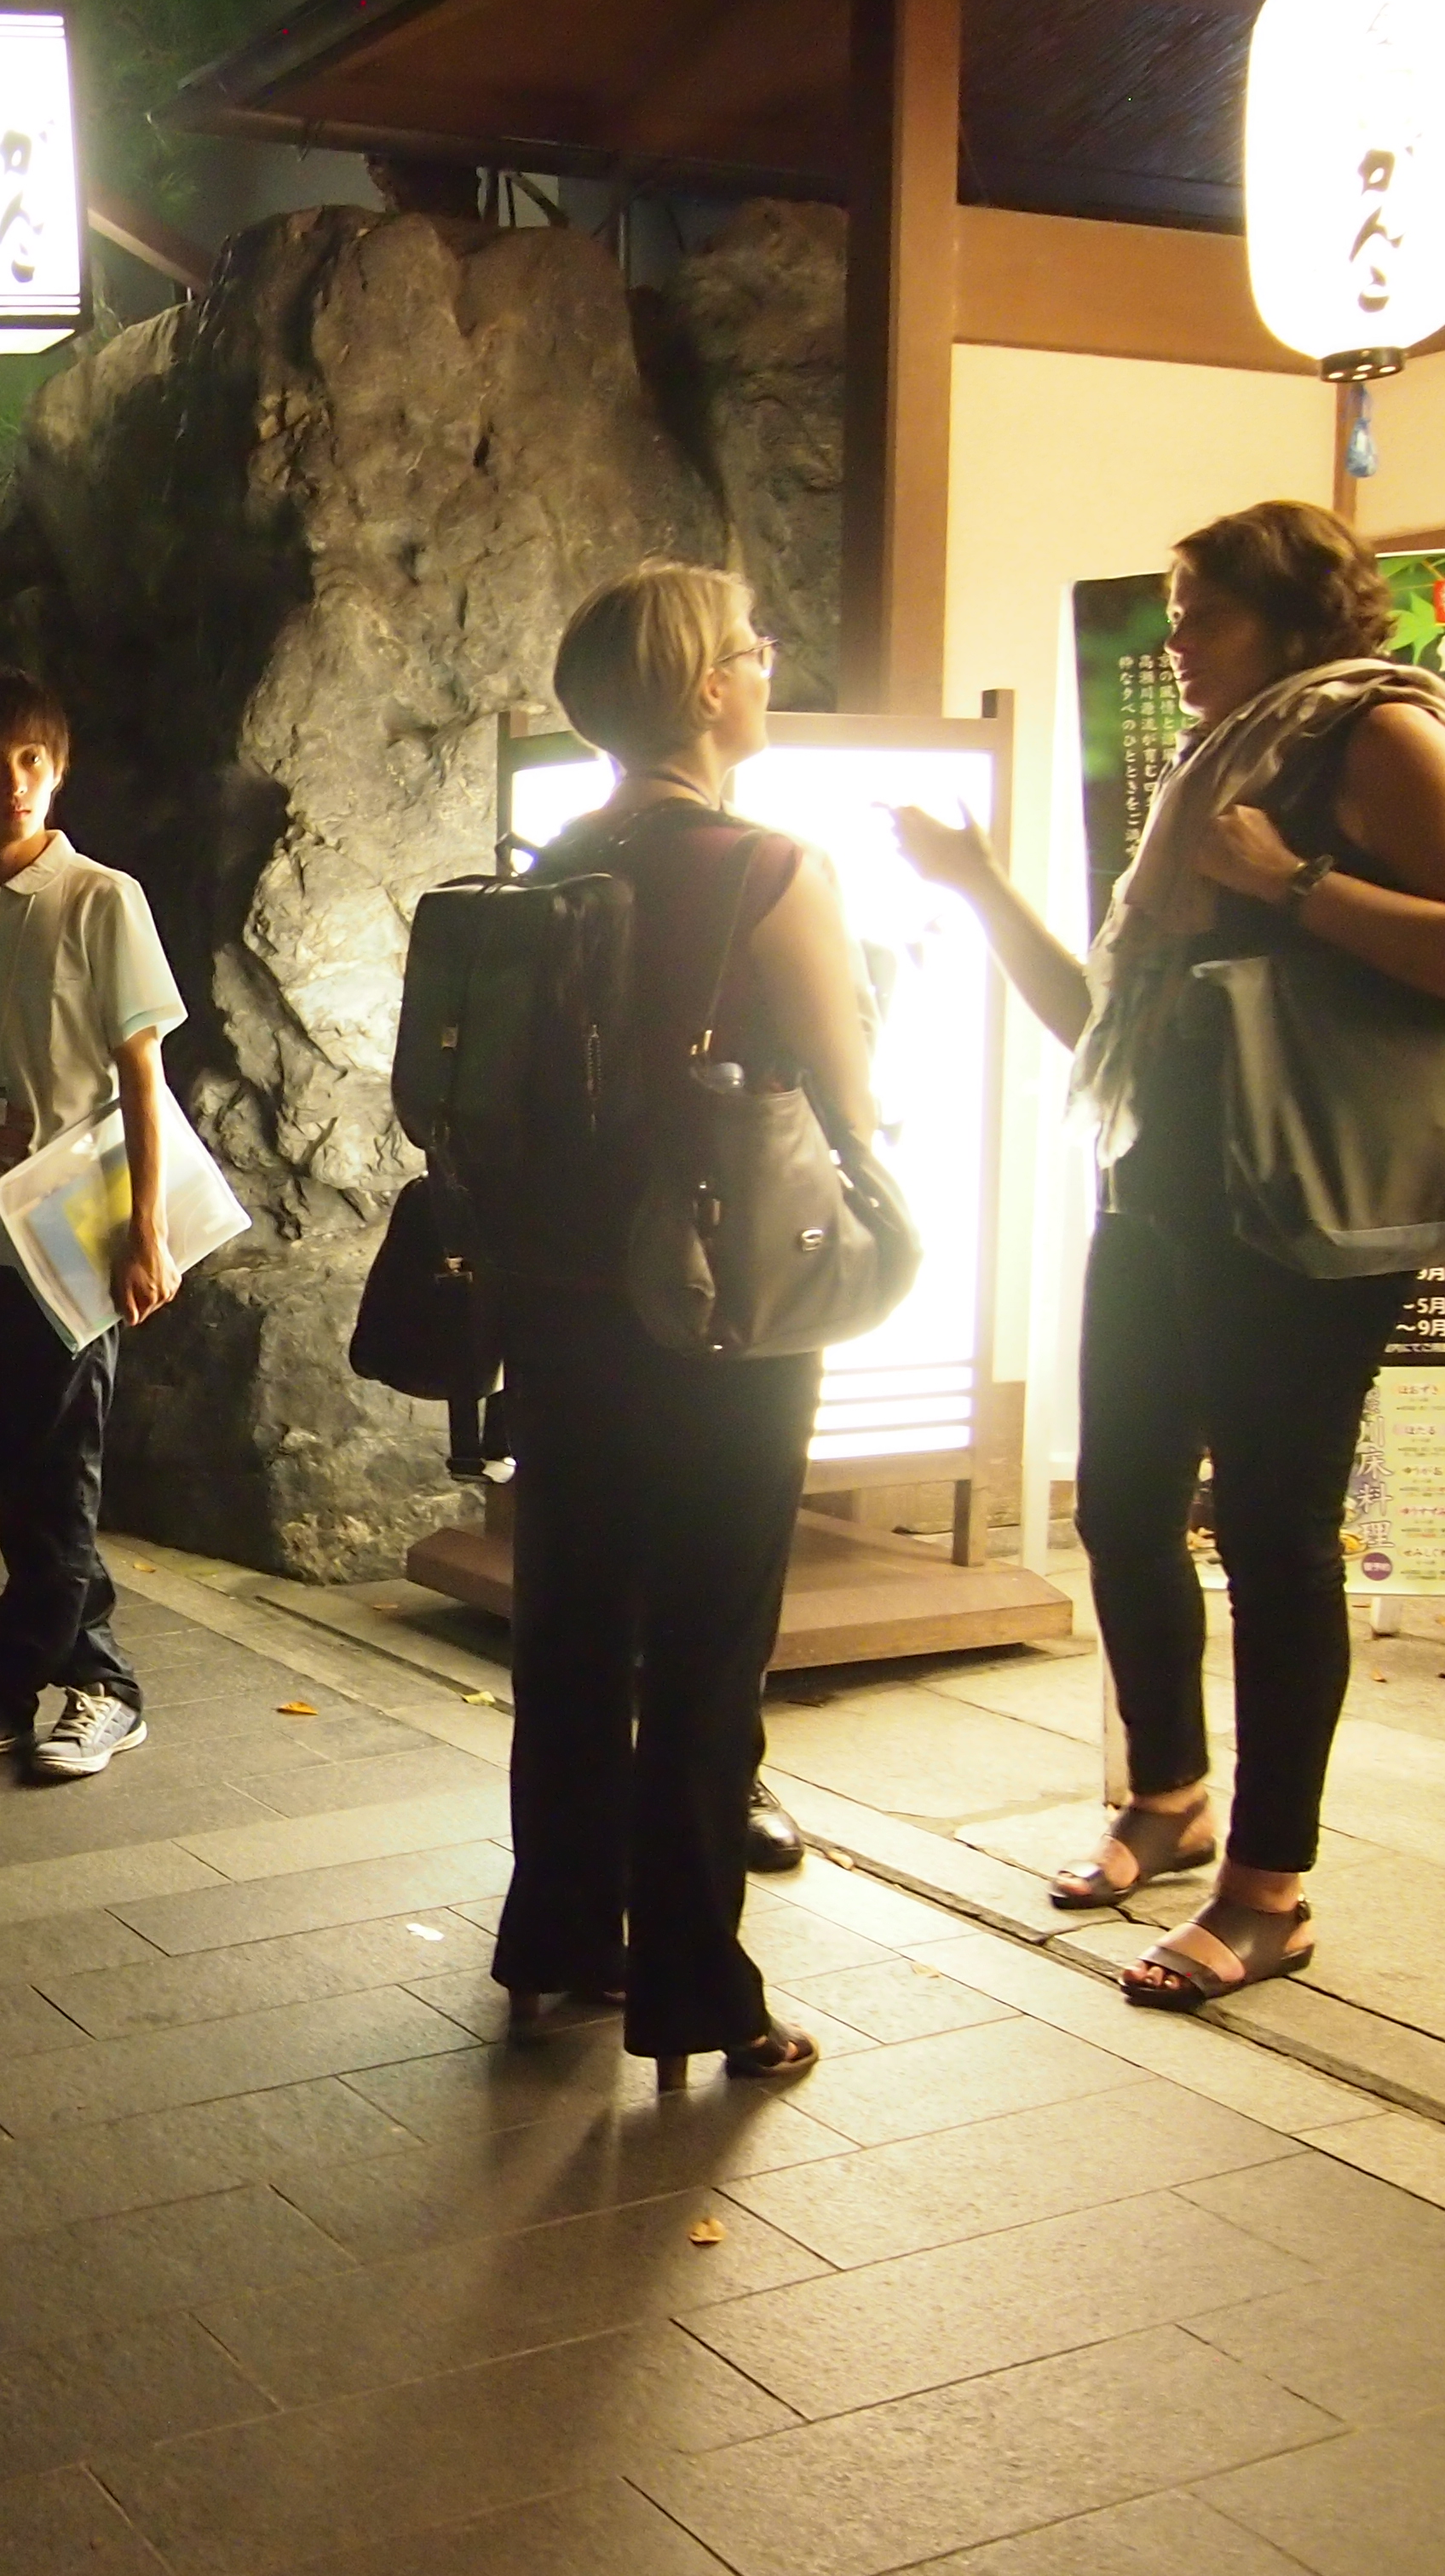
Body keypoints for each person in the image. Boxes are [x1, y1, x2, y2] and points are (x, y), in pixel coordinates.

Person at [899, 499, 1445, 2009]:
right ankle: (1169, 1796)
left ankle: (1269, 1888)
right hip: (1164, 1180)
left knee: (1273, 1537)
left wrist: (1292, 884)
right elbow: (1102, 1020)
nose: (1177, 638)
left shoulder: (1372, 736)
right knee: (1125, 1505)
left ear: (1293, 614)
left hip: (1303, 1210)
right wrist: (974, 881)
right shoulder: (1217, 770)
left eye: (1204, 611)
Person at [492, 562, 873, 2086]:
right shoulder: (765, 868)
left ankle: (559, 1939)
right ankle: (698, 1988)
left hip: (555, 1298)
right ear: (707, 690)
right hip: (717, 1306)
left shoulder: (550, 862)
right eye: (751, 648)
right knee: (711, 1645)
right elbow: (849, 1090)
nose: (767, 664)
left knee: (572, 1628)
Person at [0, 669, 186, 1782]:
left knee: (57, 1477)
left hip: (74, 1232)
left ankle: (3, 1685)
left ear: (58, 771)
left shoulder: (102, 900)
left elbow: (142, 1072)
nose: (12, 780)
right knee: (18, 1481)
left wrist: (146, 1228)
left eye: (32, 759)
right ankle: (102, 1681)